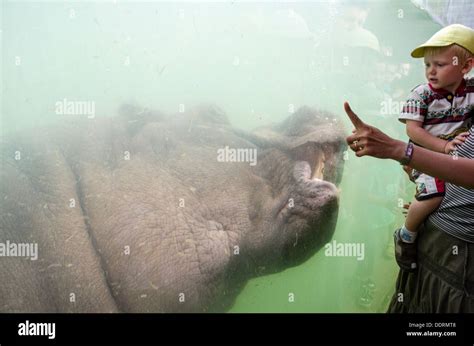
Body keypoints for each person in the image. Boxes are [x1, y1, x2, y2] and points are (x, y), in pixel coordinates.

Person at [344, 101, 474, 312]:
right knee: (369, 257)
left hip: (455, 263)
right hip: (424, 246)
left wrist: (396, 148)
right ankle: (363, 281)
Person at [396, 24, 474, 273]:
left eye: (439, 65)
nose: (430, 71)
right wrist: (444, 146)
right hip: (424, 157)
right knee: (435, 192)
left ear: (466, 66)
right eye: (427, 65)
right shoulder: (421, 95)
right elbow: (412, 131)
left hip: (454, 160)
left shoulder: (471, 91)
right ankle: (406, 235)